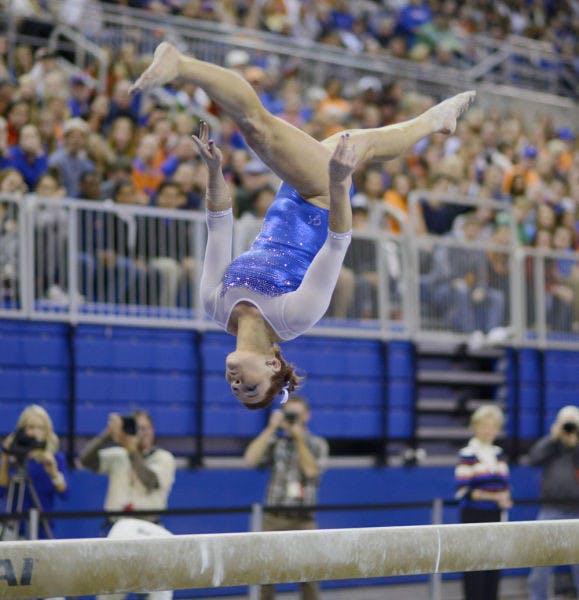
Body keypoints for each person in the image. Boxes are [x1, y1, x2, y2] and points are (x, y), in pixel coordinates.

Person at [132, 41, 476, 410]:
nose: (236, 384)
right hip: (322, 198)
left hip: (291, 193)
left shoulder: (214, 306)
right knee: (257, 129)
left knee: (366, 144)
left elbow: (219, 226)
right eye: (250, 388)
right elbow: (337, 243)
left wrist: (214, 172)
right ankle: (181, 65)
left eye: (235, 390)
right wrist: (339, 183)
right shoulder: (293, 317)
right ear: (272, 364)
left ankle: (436, 120)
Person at [244, 395, 328, 600]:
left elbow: (311, 472)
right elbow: (250, 459)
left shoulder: (317, 444)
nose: (292, 419)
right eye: (288, 415)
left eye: (296, 415)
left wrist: (299, 438)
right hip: (273, 518)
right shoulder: (277, 443)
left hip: (304, 519)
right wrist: (271, 428)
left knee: (310, 578)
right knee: (265, 576)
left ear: (306, 416)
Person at [79, 411, 176, 528]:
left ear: (152, 431)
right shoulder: (119, 455)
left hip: (148, 526)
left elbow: (150, 481)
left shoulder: (164, 457)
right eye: (137, 429)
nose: (142, 433)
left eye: (145, 428)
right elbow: (85, 460)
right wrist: (107, 435)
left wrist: (132, 450)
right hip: (115, 525)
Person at [454, 404, 512, 600]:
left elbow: (504, 485)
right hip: (473, 516)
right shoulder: (467, 454)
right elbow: (463, 492)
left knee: (494, 567)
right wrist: (494, 497)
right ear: (475, 427)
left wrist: (505, 498)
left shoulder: (499, 454)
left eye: (493, 426)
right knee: (474, 569)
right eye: (484, 425)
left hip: (496, 516)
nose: (488, 430)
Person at [527, 405, 579, 600]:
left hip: (577, 512)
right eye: (565, 423)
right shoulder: (551, 446)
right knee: (539, 570)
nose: (569, 427)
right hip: (551, 510)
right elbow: (533, 459)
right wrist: (553, 438)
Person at [0, 404, 69, 540]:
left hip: (42, 528)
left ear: (47, 431)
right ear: (22, 430)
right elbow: (2, 489)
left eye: (40, 428)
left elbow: (65, 493)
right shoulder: (15, 457)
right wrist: (6, 456)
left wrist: (53, 472)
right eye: (31, 427)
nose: (35, 432)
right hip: (14, 528)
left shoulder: (55, 457)